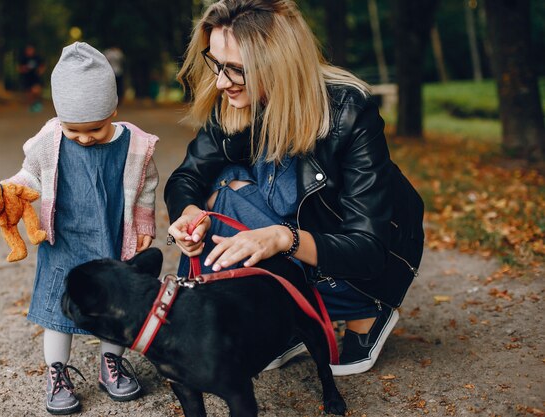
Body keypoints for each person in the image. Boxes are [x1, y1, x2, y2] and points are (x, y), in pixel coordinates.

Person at [165, 0, 424, 377]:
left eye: (236, 69)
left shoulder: (349, 112)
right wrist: (188, 217)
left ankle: (366, 310)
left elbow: (368, 247)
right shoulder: (233, 104)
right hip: (300, 233)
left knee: (232, 184)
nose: (220, 82)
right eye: (216, 64)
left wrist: (282, 238)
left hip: (367, 264)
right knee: (221, 185)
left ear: (279, 63)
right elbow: (187, 177)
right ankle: (282, 312)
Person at [4, 42, 159, 414]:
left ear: (113, 111)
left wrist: (142, 222)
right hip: (64, 244)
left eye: (96, 128)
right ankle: (57, 371)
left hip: (111, 240)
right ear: (61, 119)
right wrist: (8, 190)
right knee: (57, 310)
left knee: (115, 306)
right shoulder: (50, 140)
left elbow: (146, 187)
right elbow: (30, 176)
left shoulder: (134, 145)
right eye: (74, 130)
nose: (85, 137)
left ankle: (111, 365)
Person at [18, 45, 46, 112]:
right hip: (27, 78)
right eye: (28, 50)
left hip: (35, 77)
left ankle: (37, 104)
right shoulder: (24, 58)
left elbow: (42, 66)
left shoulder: (37, 58)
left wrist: (40, 71)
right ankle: (31, 106)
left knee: (36, 91)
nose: (29, 51)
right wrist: (24, 69)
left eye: (31, 50)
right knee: (29, 93)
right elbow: (20, 68)